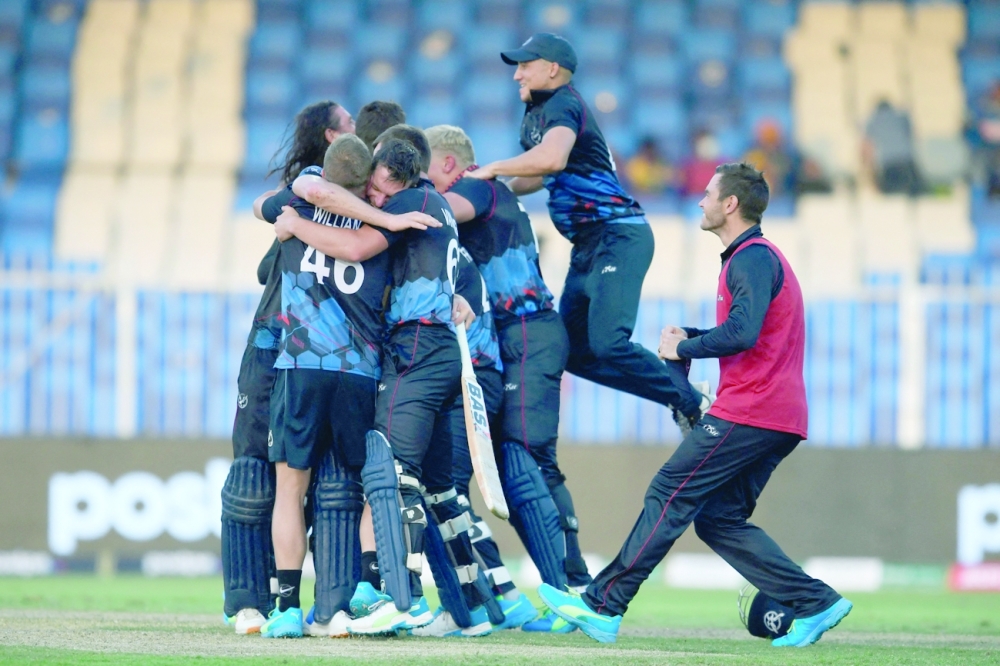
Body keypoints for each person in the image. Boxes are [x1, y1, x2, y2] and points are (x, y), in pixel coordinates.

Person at [537, 163, 852, 647]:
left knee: (669, 491)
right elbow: (751, 332)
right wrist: (692, 335)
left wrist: (683, 347)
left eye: (708, 194)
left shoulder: (750, 257)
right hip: (780, 416)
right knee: (718, 520)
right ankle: (816, 603)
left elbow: (743, 333)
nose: (700, 201)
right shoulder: (757, 258)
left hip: (752, 410)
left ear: (731, 204)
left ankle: (603, 606)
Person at [470, 32, 705, 435]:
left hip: (617, 236)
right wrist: (499, 191)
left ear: (552, 69)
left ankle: (693, 401)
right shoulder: (540, 111)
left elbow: (552, 157)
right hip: (589, 246)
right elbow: (544, 172)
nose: (517, 75)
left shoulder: (563, 103)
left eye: (525, 66)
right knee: (575, 352)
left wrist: (492, 169)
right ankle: (683, 397)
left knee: (609, 342)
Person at [279, 139, 465, 634]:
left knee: (392, 473)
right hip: (435, 345)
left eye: (383, 193)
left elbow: (355, 246)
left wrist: (295, 224)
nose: (376, 201)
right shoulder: (433, 203)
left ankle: (397, 596)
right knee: (432, 483)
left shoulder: (408, 204)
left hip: (416, 346)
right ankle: (464, 607)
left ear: (403, 183)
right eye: (373, 191)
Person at [425, 123, 589, 633]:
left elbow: (437, 214)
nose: (422, 185)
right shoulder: (488, 191)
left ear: (449, 164)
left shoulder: (476, 186)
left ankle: (572, 591)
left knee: (525, 459)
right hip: (514, 336)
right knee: (513, 464)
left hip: (527, 330)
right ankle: (561, 591)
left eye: (425, 171)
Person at [220, 99, 356, 636]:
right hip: (273, 345)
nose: (357, 134)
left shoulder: (372, 200)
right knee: (253, 474)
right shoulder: (306, 187)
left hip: (331, 356)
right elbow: (264, 209)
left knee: (335, 483)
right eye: (349, 125)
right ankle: (249, 602)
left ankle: (333, 605)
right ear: (332, 138)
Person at [255, 135, 397, 639]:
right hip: (360, 370)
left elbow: (261, 209)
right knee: (364, 487)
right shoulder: (381, 223)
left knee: (290, 489)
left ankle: (286, 609)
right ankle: (361, 595)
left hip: (302, 364)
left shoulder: (294, 209)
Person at [863, 100, 923, 196]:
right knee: (917, 191)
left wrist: (871, 174)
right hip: (907, 161)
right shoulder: (902, 117)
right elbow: (911, 136)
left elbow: (867, 147)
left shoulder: (872, 121)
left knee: (890, 194)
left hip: (888, 164)